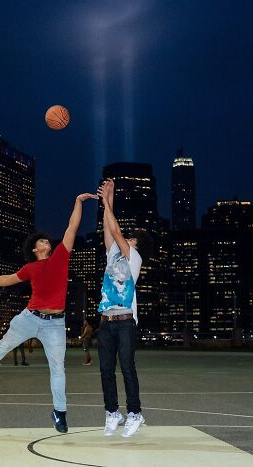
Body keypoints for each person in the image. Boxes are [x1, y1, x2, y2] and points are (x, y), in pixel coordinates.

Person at [0, 192, 98, 433]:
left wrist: (77, 201)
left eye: (48, 240)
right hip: (29, 318)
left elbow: (72, 226)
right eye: (43, 241)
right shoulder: (30, 267)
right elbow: (7, 279)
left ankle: (59, 413)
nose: (48, 242)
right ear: (35, 248)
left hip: (55, 324)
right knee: (4, 345)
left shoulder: (60, 256)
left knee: (58, 368)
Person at [96, 179, 154, 438]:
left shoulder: (134, 257)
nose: (126, 237)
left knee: (127, 367)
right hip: (106, 321)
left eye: (131, 237)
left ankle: (135, 413)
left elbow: (117, 231)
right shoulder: (114, 254)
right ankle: (112, 412)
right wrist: (109, 199)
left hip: (125, 321)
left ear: (136, 243)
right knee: (106, 370)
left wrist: (108, 202)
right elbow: (109, 231)